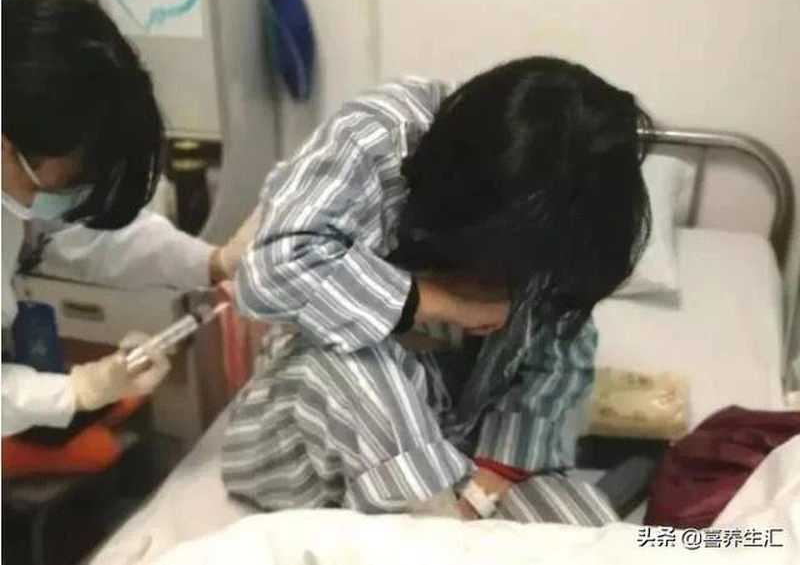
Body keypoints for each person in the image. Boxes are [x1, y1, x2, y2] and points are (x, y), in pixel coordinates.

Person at [221, 57, 651, 524]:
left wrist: (489, 483)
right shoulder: (378, 137)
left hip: (450, 446)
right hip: (307, 441)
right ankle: (431, 528)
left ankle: (454, 520)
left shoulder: (567, 224)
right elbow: (269, 273)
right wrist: (442, 303)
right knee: (362, 371)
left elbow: (558, 355)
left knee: (575, 522)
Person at [1, 0, 257, 437]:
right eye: (45, 186)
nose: (47, 202)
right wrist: (78, 390)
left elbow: (83, 234)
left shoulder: (19, 170)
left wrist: (212, 262)